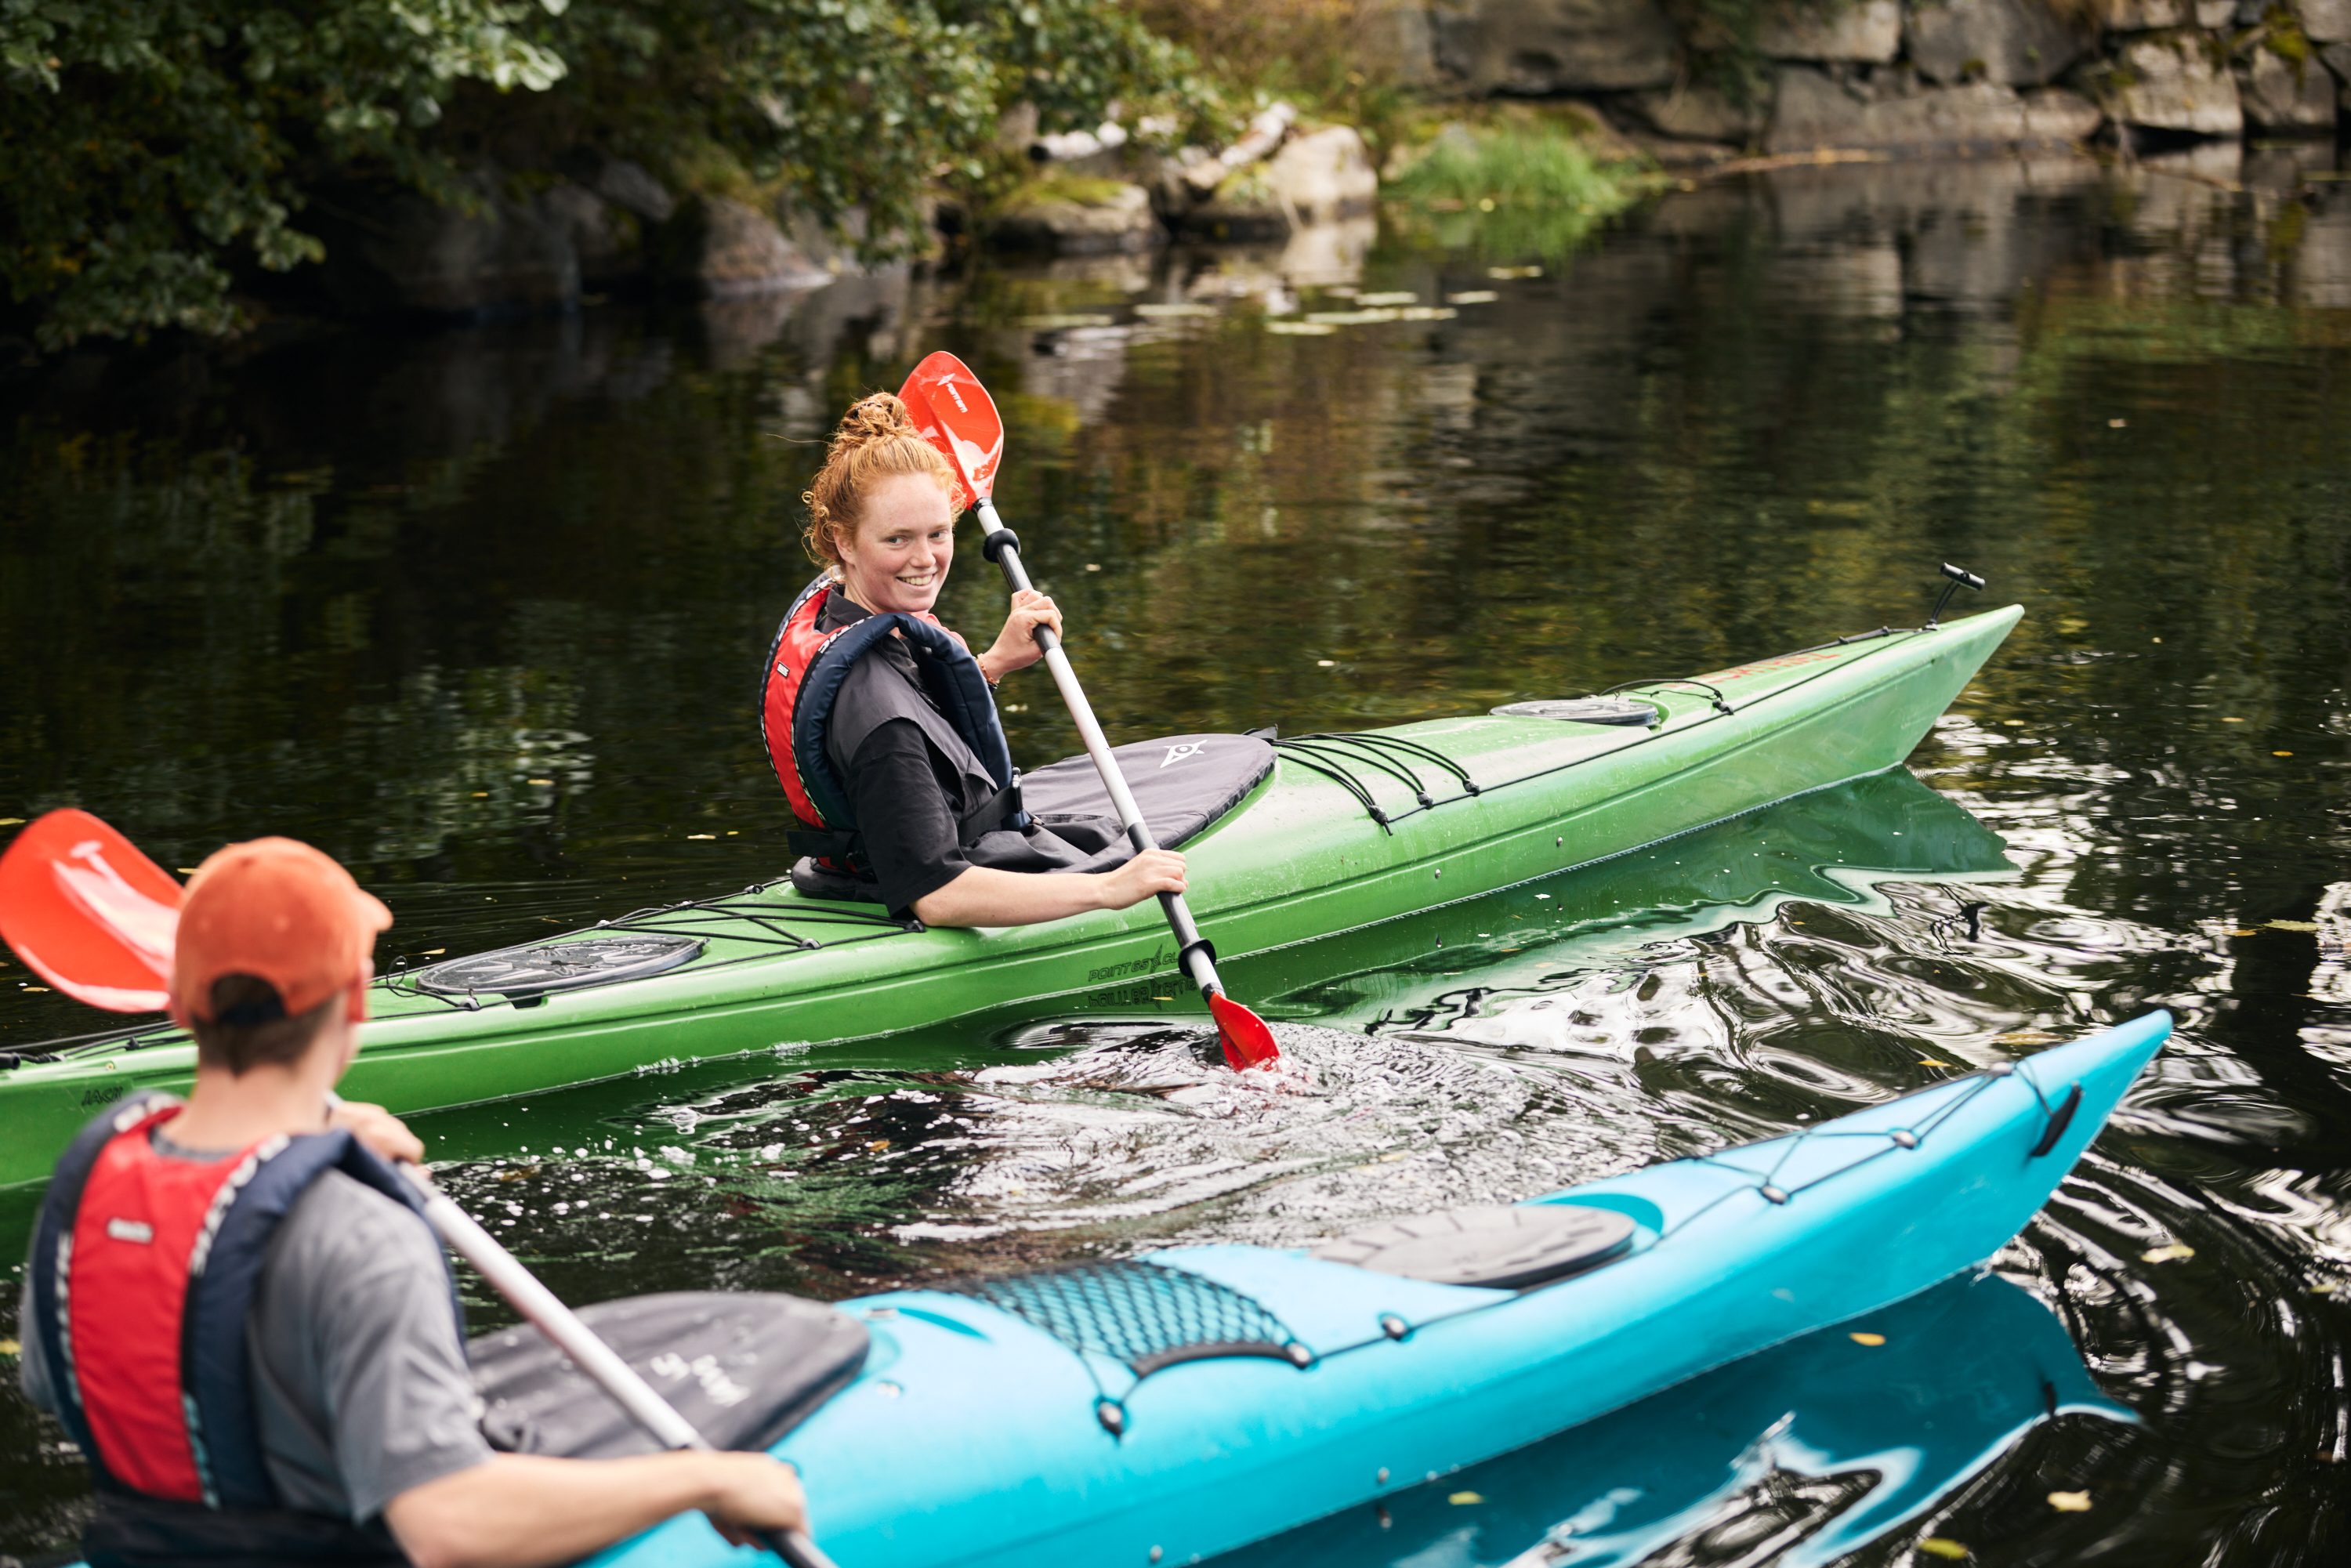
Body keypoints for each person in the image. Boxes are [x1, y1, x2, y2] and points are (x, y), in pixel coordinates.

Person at [18, 837, 807, 1568]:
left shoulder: (91, 1178)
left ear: (184, 1007)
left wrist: (317, 1133)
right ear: (357, 1003)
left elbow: (60, 1386)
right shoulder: (359, 1231)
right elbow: (445, 1527)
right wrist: (705, 1481)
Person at [759, 393, 1188, 926]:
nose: (925, 559)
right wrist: (1108, 889)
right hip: (948, 882)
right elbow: (938, 895)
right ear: (844, 541)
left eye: (938, 533)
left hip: (900, 859)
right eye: (898, 539)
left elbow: (916, 728)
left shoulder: (848, 614)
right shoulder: (874, 711)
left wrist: (991, 665)